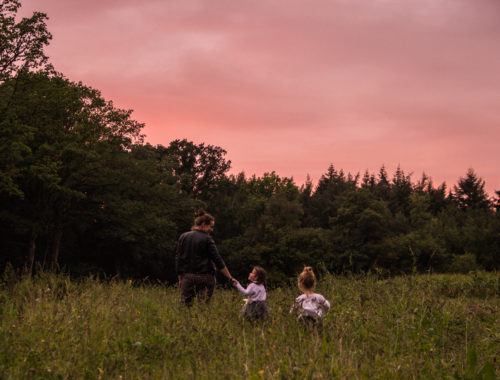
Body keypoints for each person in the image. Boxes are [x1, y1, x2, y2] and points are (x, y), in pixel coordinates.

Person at [175, 209, 234, 306]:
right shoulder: (207, 239)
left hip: (188, 277)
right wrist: (229, 277)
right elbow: (217, 259)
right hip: (205, 278)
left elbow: (178, 259)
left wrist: (180, 279)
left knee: (184, 308)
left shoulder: (183, 237)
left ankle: (185, 321)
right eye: (211, 227)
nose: (212, 230)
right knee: (203, 308)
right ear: (203, 224)